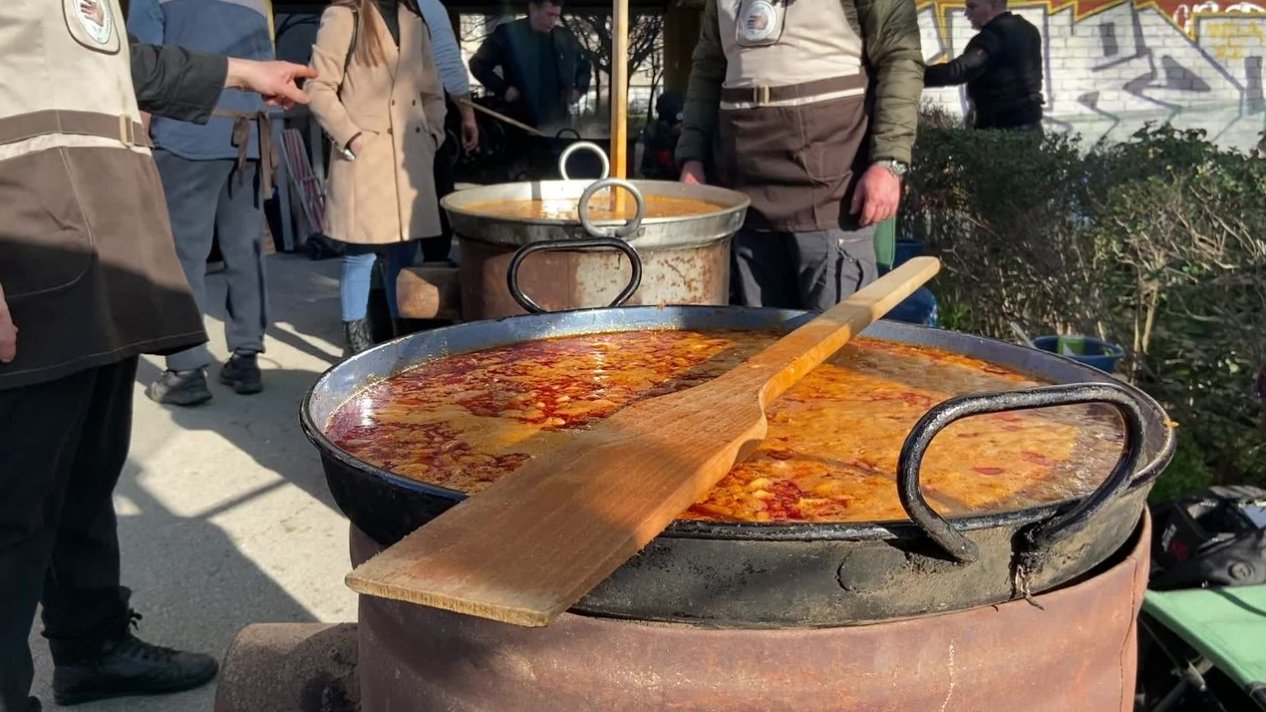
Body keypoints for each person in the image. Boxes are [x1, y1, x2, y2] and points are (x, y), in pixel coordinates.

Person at [0, 1, 314, 708]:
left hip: (103, 251)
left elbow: (122, 61)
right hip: (23, 250)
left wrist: (242, 71)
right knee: (12, 505)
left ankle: (91, 646)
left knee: (85, 473)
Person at [676, 0, 923, 311]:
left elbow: (900, 55)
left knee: (837, 348)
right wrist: (692, 158)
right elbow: (707, 68)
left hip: (832, 199)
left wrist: (888, 163)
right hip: (743, 203)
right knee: (759, 348)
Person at [127, 0, 278, 406]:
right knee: (245, 251)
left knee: (183, 255)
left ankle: (187, 369)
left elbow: (141, 71)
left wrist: (138, 139)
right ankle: (246, 357)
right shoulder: (254, 2)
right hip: (248, 136)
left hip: (187, 136)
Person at [307, 0, 448, 356]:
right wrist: (351, 136)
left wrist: (433, 135)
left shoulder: (414, 19)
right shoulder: (343, 15)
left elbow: (432, 89)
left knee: (406, 253)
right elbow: (317, 87)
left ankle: (399, 344)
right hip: (364, 156)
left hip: (409, 158)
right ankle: (355, 347)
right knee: (360, 253)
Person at [417, 0, 480, 265]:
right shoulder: (428, 6)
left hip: (371, 122)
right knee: (435, 190)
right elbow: (448, 63)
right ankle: (434, 266)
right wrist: (468, 115)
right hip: (420, 117)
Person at [468, 0, 591, 131]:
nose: (552, 21)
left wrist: (579, 89)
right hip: (519, 120)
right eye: (549, 14)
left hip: (559, 121)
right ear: (533, 8)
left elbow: (585, 65)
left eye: (556, 16)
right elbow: (477, 64)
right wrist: (504, 89)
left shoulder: (565, 37)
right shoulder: (508, 34)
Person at [922, 0, 1044, 132]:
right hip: (1031, 124)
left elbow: (959, 70)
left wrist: (910, 75)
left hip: (1002, 130)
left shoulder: (993, 36)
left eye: (972, 7)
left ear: (993, 5)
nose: (967, 14)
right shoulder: (1029, 30)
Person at [639, 91, 685, 181]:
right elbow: (646, 170)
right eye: (676, 125)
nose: (680, 128)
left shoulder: (692, 138)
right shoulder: (653, 133)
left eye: (682, 124)